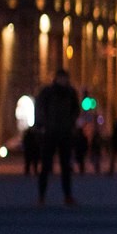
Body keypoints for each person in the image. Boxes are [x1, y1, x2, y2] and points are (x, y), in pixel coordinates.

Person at [35, 68, 80, 206]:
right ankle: (41, 196)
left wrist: (70, 122)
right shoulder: (48, 92)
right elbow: (40, 107)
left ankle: (68, 196)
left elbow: (76, 109)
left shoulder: (70, 93)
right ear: (56, 78)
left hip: (65, 134)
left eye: (64, 78)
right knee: (46, 166)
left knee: (66, 167)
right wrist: (43, 124)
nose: (63, 80)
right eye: (61, 78)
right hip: (51, 133)